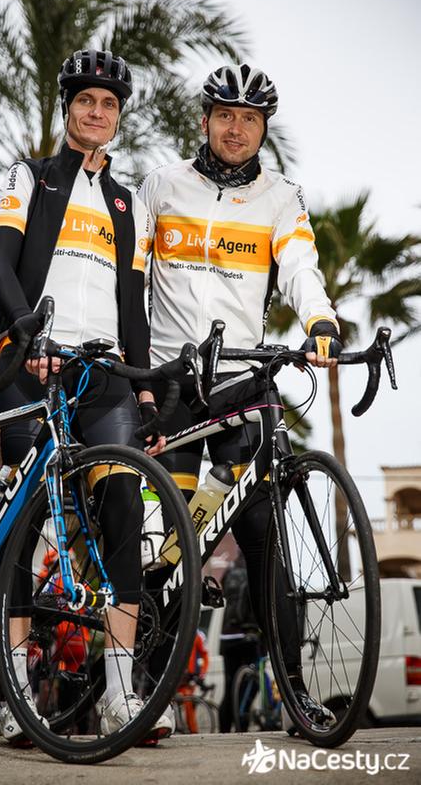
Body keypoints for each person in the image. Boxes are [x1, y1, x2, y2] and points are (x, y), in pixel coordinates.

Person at [138, 62, 342, 730]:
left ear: (262, 129)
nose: (235, 128)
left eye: (249, 119)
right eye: (225, 115)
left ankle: (295, 694)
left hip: (241, 384)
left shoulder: (281, 197)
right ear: (204, 120)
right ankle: (148, 694)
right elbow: (129, 276)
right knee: (166, 543)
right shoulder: (162, 185)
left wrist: (319, 319)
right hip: (169, 387)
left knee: (264, 544)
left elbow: (300, 265)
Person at [0, 48, 171, 744]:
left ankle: (122, 695)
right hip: (32, 365)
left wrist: (146, 395)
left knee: (122, 505)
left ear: (119, 118)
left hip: (103, 374)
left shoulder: (127, 204)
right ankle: (16, 696)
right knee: (25, 524)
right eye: (86, 101)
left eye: (109, 104)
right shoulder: (29, 177)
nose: (97, 112)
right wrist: (26, 334)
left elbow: (134, 306)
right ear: (67, 109)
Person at [218, 555, 259, 732]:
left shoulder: (230, 570)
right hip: (247, 634)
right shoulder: (255, 568)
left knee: (230, 686)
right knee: (251, 683)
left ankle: (224, 729)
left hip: (226, 636)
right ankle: (242, 724)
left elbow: (224, 594)